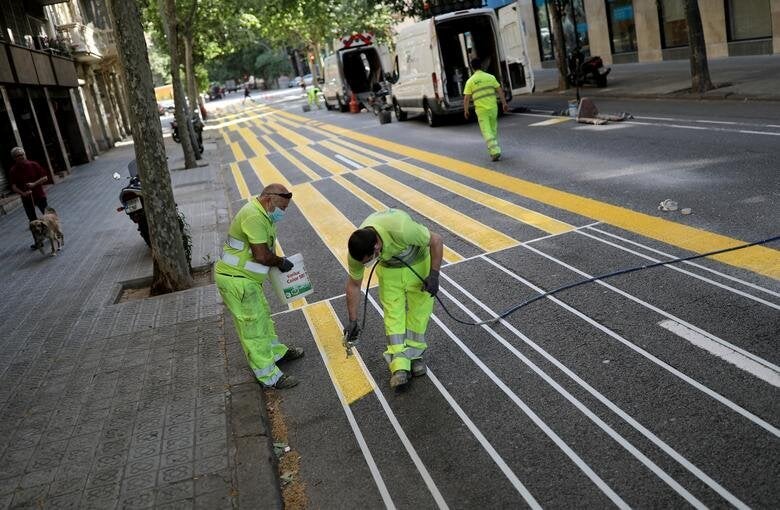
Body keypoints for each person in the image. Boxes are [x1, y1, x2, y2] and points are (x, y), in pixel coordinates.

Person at [214, 183, 304, 389]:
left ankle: (276, 353)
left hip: (247, 280)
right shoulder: (254, 216)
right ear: (267, 199)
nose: (282, 213)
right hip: (237, 281)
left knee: (262, 318)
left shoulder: (262, 214)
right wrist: (280, 262)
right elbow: (262, 255)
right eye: (281, 208)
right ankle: (269, 376)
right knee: (252, 329)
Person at [344, 209, 443, 389]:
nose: (366, 265)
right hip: (389, 272)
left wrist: (434, 275)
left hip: (418, 265)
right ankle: (399, 366)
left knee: (419, 312)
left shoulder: (402, 229)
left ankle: (414, 356)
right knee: (393, 314)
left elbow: (436, 240)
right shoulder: (357, 251)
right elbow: (354, 285)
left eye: (369, 260)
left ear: (376, 247)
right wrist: (352, 320)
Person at [463, 57, 509, 162]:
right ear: (481, 66)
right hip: (493, 108)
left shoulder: (470, 81)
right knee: (493, 130)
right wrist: (504, 103)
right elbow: (500, 90)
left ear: (472, 68)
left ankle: (495, 151)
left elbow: (466, 98)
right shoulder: (490, 77)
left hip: (481, 110)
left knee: (486, 131)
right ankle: (494, 149)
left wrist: (466, 110)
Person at [8, 147, 50, 249]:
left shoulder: (33, 164)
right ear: (14, 158)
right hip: (26, 198)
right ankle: (38, 241)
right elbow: (13, 186)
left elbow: (45, 177)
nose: (21, 157)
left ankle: (52, 233)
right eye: (18, 156)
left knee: (47, 216)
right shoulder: (13, 170)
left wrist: (34, 184)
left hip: (39, 195)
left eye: (22, 154)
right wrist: (22, 193)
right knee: (32, 221)